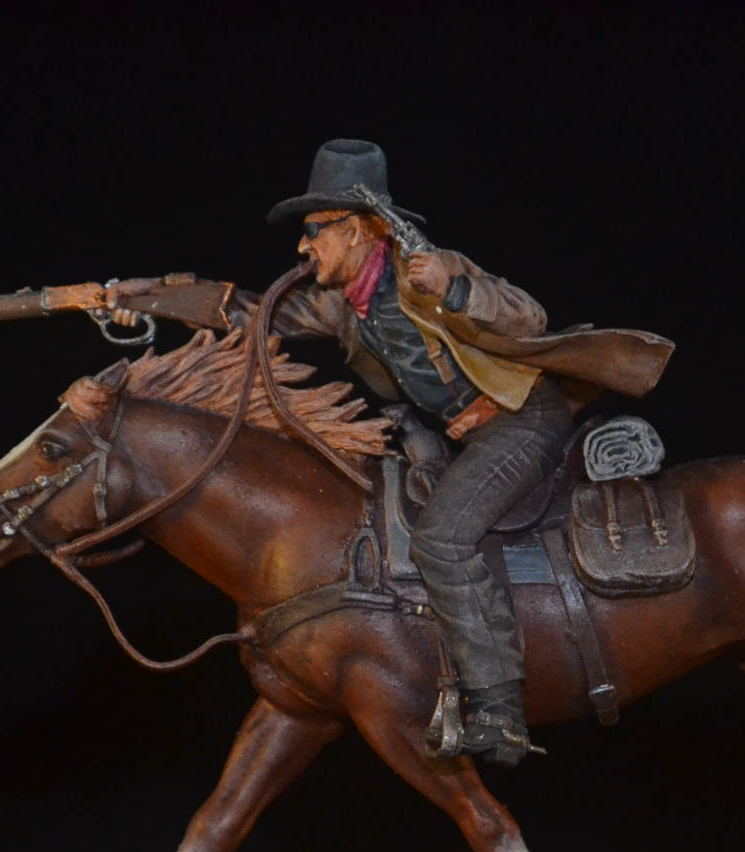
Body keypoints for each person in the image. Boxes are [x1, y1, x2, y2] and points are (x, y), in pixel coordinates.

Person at [259, 139, 673, 764]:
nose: (303, 245)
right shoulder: (344, 306)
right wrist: (129, 298)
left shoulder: (427, 272)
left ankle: (500, 708)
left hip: (521, 419)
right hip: (462, 435)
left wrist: (454, 288)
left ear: (359, 230)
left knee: (442, 540)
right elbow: (251, 312)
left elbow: (528, 317)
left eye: (315, 229)